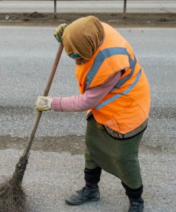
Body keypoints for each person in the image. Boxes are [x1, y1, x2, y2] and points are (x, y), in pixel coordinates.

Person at [35, 16, 150, 212]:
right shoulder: (94, 32)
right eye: (73, 56)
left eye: (79, 56)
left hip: (126, 112)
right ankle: (91, 189)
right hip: (103, 108)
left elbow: (88, 100)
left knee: (124, 160)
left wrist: (52, 103)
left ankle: (136, 201)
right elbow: (80, 33)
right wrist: (67, 35)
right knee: (92, 149)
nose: (77, 61)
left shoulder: (111, 63)